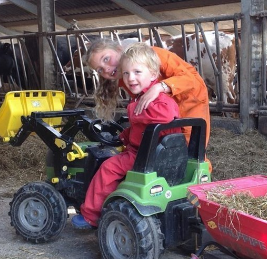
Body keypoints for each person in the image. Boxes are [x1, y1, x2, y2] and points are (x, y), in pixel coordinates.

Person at [72, 42, 181, 229]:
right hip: (151, 151)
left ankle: (90, 215)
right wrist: (124, 135)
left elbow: (167, 116)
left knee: (108, 167)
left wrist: (133, 112)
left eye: (137, 72)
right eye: (126, 74)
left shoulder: (159, 99)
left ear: (153, 75)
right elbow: (143, 127)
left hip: (144, 156)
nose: (131, 79)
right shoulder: (143, 98)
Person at [84, 38, 212, 171]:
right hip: (163, 111)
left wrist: (159, 87)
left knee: (191, 149)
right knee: (166, 149)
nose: (107, 69)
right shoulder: (126, 76)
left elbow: (192, 80)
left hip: (189, 101)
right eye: (100, 70)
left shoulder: (153, 55)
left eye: (106, 59)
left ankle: (204, 183)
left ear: (118, 50)